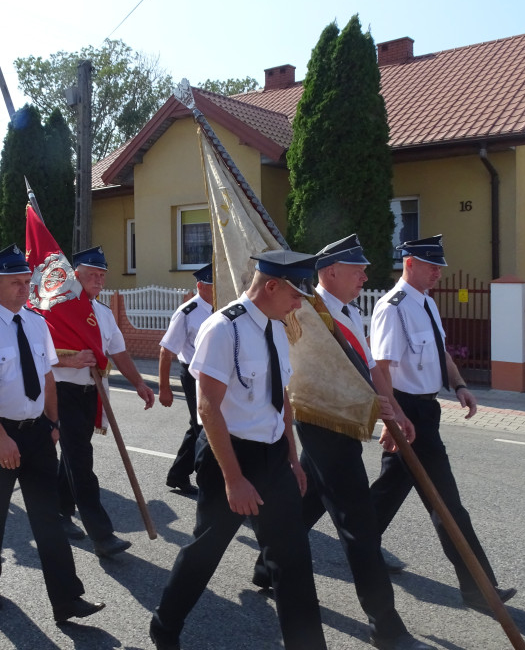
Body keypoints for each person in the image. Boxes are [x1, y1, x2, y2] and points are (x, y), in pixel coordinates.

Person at [254, 235, 430, 650]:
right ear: (330, 272)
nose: (365, 277)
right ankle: (385, 627)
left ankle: (266, 567)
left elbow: (370, 369)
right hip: (322, 424)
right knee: (359, 523)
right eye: (357, 271)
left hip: (347, 423)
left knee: (313, 498)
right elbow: (299, 376)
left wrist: (396, 412)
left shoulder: (349, 312)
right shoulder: (303, 313)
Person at [150, 250, 327, 650]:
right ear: (271, 286)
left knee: (294, 560)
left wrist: (291, 458)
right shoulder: (222, 328)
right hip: (228, 457)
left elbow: (281, 398)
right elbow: (208, 407)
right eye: (296, 294)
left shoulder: (279, 327)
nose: (300, 303)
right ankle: (165, 624)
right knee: (206, 550)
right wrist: (234, 480)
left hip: (273, 457)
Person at [0, 244, 105, 624]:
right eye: (16, 283)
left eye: (26, 281)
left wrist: (52, 424)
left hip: (37, 433)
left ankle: (67, 600)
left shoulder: (37, 323)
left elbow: (47, 376)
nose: (25, 289)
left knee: (47, 518)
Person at [369, 235, 517, 614]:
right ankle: (479, 588)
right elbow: (380, 370)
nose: (437, 273)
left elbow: (441, 351)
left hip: (425, 411)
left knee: (388, 492)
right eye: (431, 265)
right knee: (447, 504)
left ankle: (361, 549)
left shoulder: (427, 305)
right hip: (408, 413)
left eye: (440, 267)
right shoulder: (393, 308)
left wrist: (460, 385)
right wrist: (393, 417)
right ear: (409, 263)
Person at [52, 245, 155, 558]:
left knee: (74, 454)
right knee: (81, 461)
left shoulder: (104, 313)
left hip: (91, 393)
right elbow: (36, 353)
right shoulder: (56, 309)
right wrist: (68, 362)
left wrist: (139, 382)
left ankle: (59, 512)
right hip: (62, 393)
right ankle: (102, 534)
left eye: (101, 275)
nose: (98, 280)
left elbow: (119, 352)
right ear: (75, 275)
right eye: (91, 274)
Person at [157, 264, 213, 495]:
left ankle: (179, 474)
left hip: (213, 374)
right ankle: (206, 478)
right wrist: (164, 388)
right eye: (212, 284)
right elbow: (166, 351)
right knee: (205, 426)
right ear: (200, 286)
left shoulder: (224, 307)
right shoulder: (187, 312)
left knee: (199, 425)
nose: (216, 289)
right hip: (192, 374)